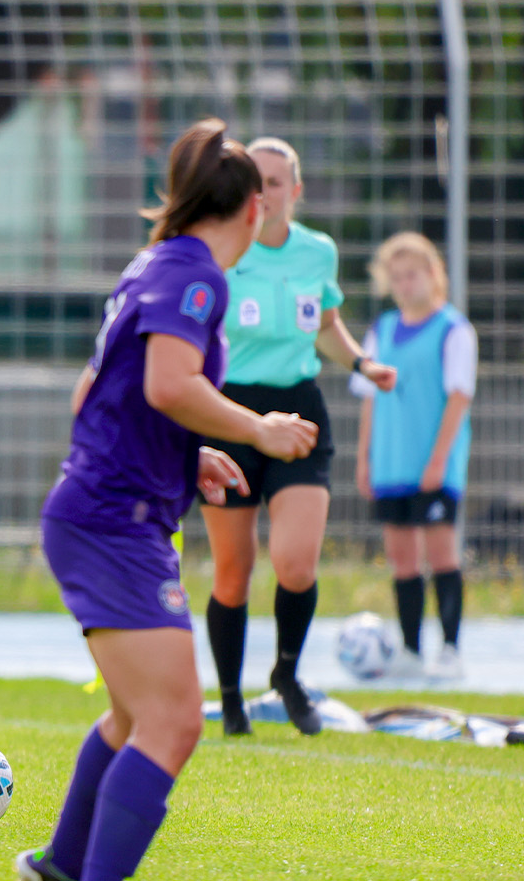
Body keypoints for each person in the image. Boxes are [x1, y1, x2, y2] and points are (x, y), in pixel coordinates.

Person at [15, 119, 318, 881]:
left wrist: (190, 453)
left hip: (107, 511)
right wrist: (260, 429)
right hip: (112, 519)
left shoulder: (155, 262)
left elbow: (101, 390)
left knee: (131, 717)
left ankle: (61, 865)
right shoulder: (196, 276)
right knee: (175, 722)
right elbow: (166, 385)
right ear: (254, 208)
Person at [200, 137, 398, 736]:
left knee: (295, 562)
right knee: (233, 569)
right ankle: (232, 698)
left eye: (276, 181)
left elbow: (327, 325)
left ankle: (286, 675)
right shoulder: (220, 253)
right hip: (229, 413)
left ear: (296, 189)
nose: (265, 193)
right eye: (253, 181)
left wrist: (363, 364)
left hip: (299, 411)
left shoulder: (318, 252)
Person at [352, 232, 476, 681]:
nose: (405, 284)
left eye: (413, 275)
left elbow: (459, 398)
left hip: (433, 464)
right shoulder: (380, 331)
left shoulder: (453, 330)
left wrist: (439, 460)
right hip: (391, 463)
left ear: (432, 274)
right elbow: (369, 399)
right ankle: (409, 649)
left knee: (441, 553)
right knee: (402, 558)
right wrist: (364, 458)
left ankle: (450, 648)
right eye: (396, 277)